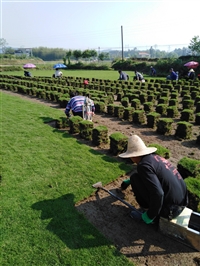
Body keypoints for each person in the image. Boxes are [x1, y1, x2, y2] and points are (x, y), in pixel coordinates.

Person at [119, 135, 188, 224]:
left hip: (170, 211)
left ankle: (150, 213)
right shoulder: (154, 158)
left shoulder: (143, 166)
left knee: (134, 178)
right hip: (182, 202)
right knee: (134, 177)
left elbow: (158, 193)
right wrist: (130, 181)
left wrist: (150, 215)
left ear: (134, 156)